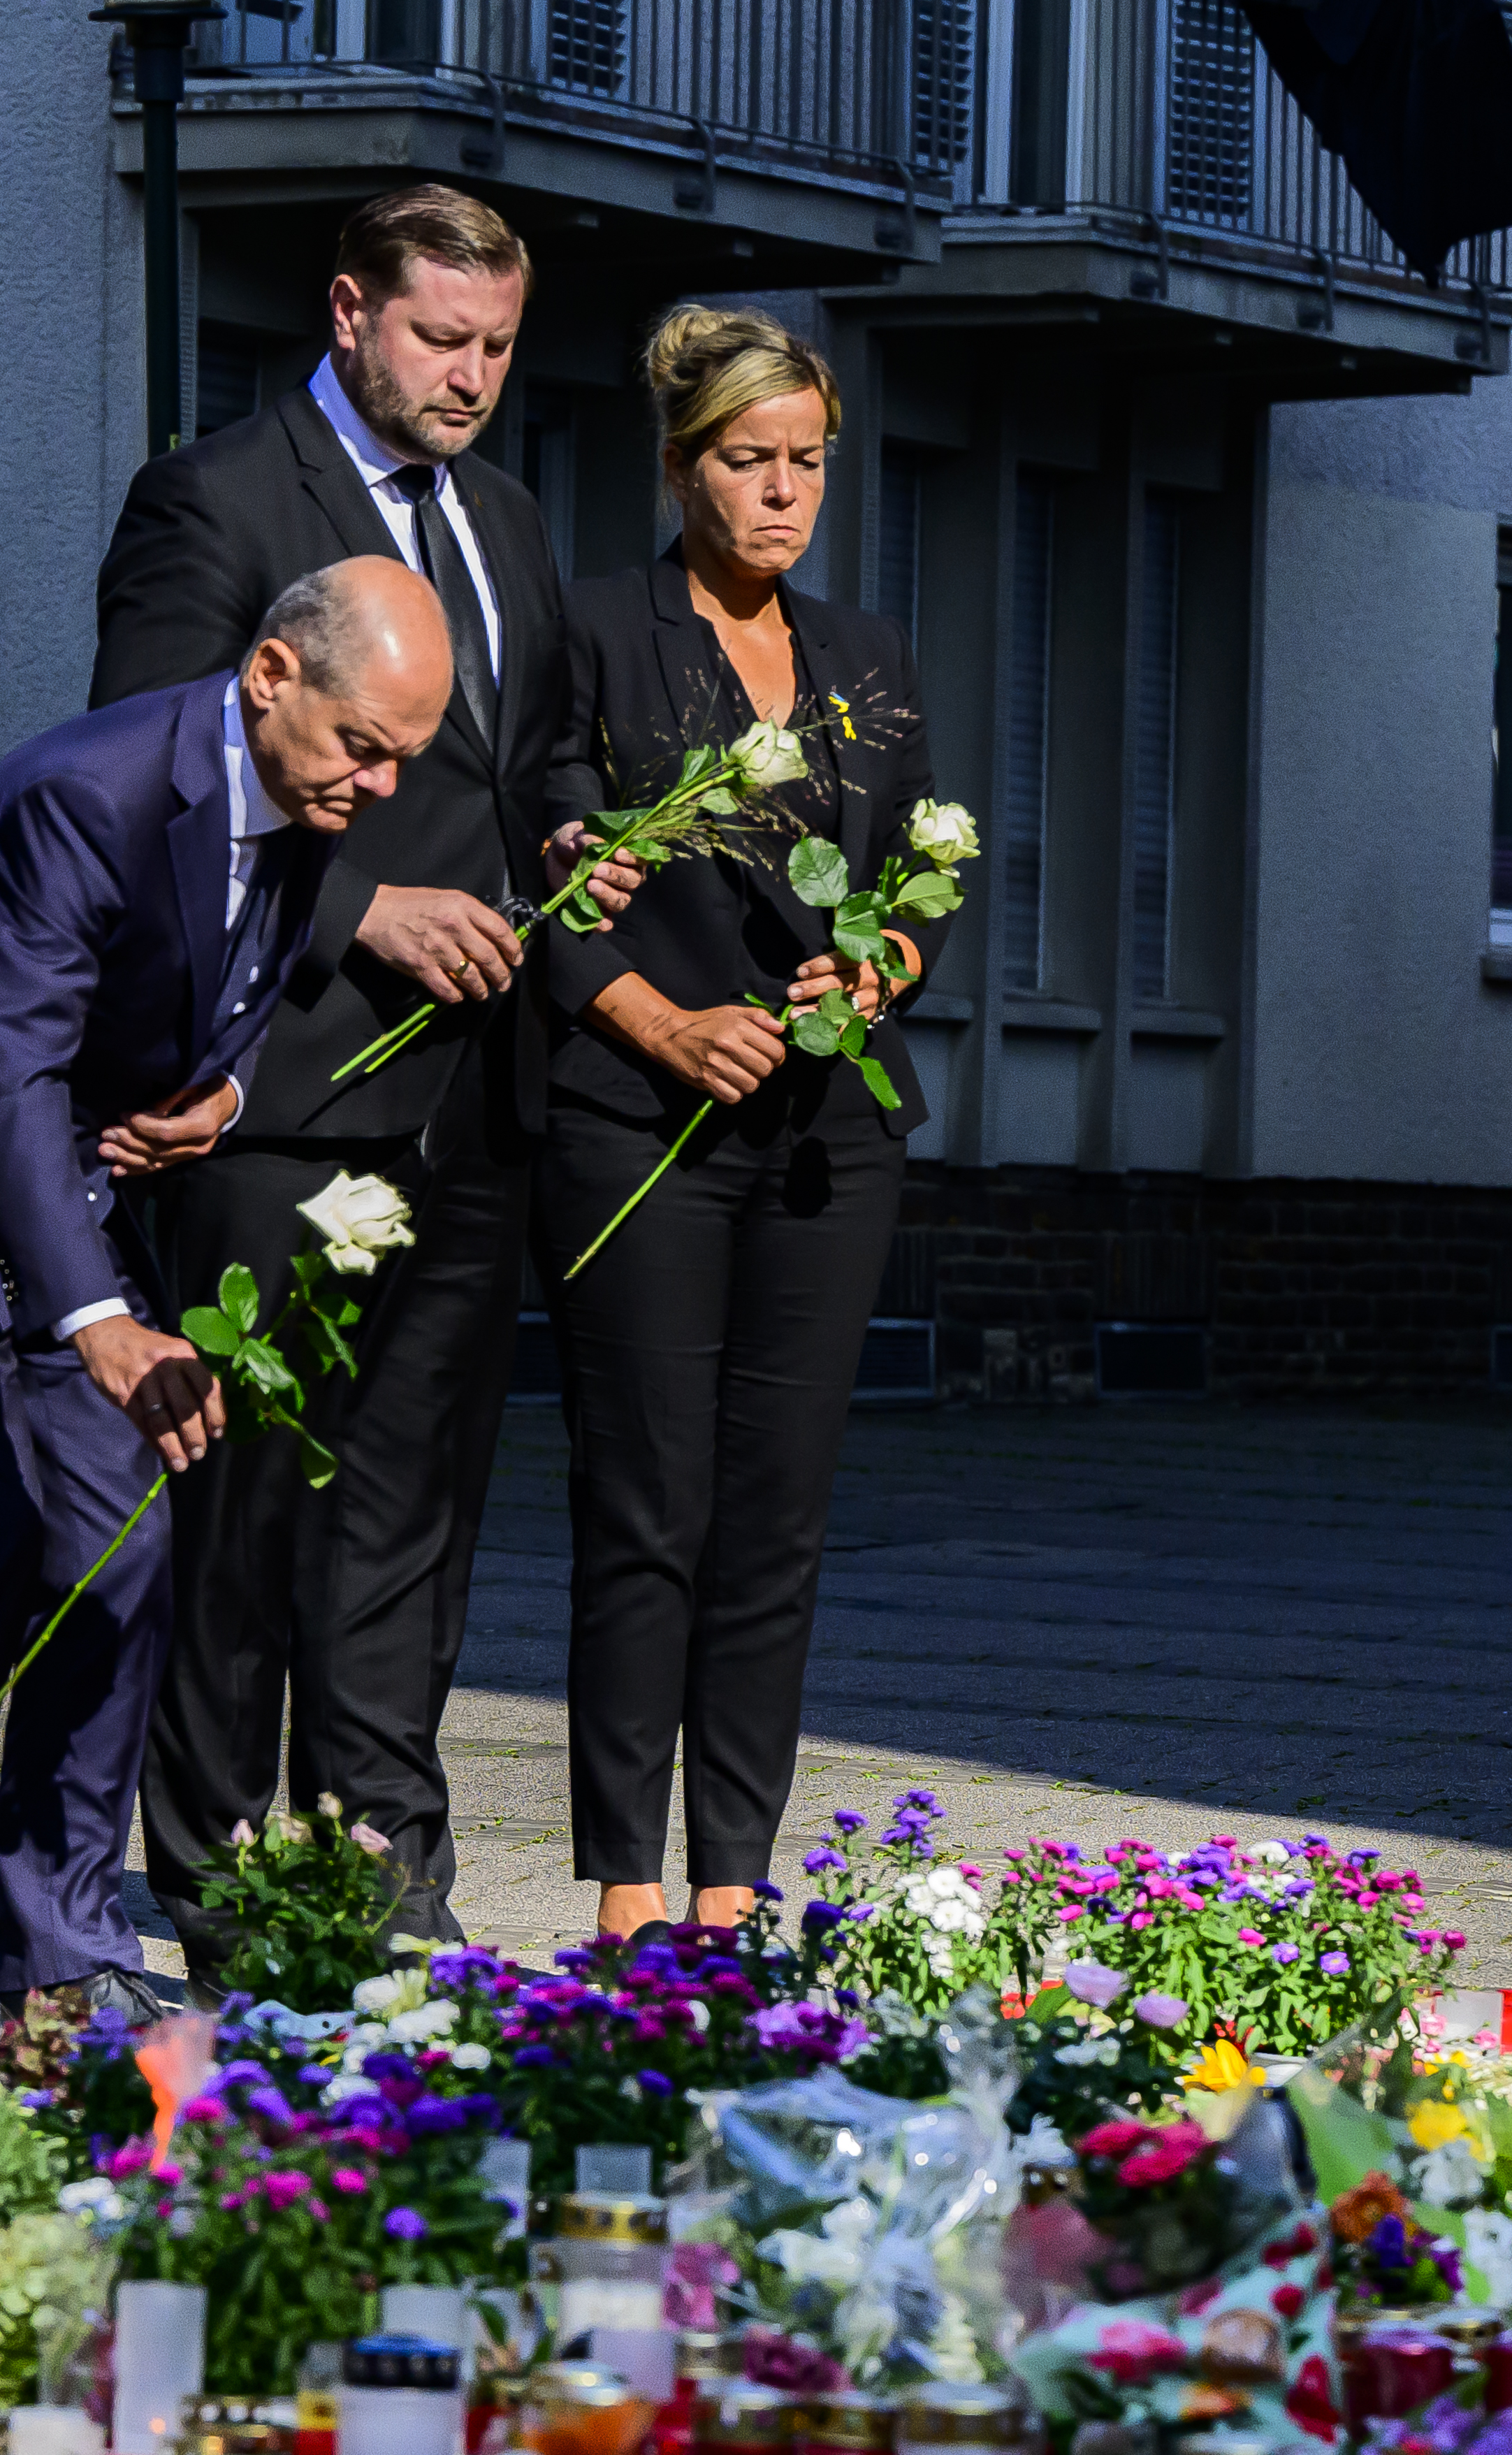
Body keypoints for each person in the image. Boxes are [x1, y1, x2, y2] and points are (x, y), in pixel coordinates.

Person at [0, 560, 455, 2051]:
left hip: (59, 1180)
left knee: (122, 1546)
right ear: (269, 675)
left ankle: (65, 1939)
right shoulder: (88, 789)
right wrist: (98, 1318)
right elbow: (0, 1073)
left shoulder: (301, 802)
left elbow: (224, 984)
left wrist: (210, 1097)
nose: (380, 786)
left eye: (404, 760)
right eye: (363, 744)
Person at [92, 184, 621, 1967]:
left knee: (409, 1507)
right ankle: (219, 1875)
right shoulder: (216, 499)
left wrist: (569, 835)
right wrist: (365, 903)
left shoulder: (509, 519)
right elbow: (154, 775)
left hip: (473, 1095)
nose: (467, 377)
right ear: (344, 311)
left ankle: (384, 1862)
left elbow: (533, 741)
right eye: (436, 339)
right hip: (276, 1086)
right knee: (244, 1501)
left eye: (493, 347)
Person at [536, 306, 940, 1942]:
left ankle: (729, 1882)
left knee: (773, 1512)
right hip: (638, 1120)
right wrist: (654, 1020)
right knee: (646, 1502)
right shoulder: (591, 633)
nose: (778, 494)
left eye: (804, 464)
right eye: (744, 460)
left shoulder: (868, 659)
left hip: (826, 1131)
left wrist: (885, 960)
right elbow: (550, 885)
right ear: (677, 461)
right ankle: (627, 1883)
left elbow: (928, 875)